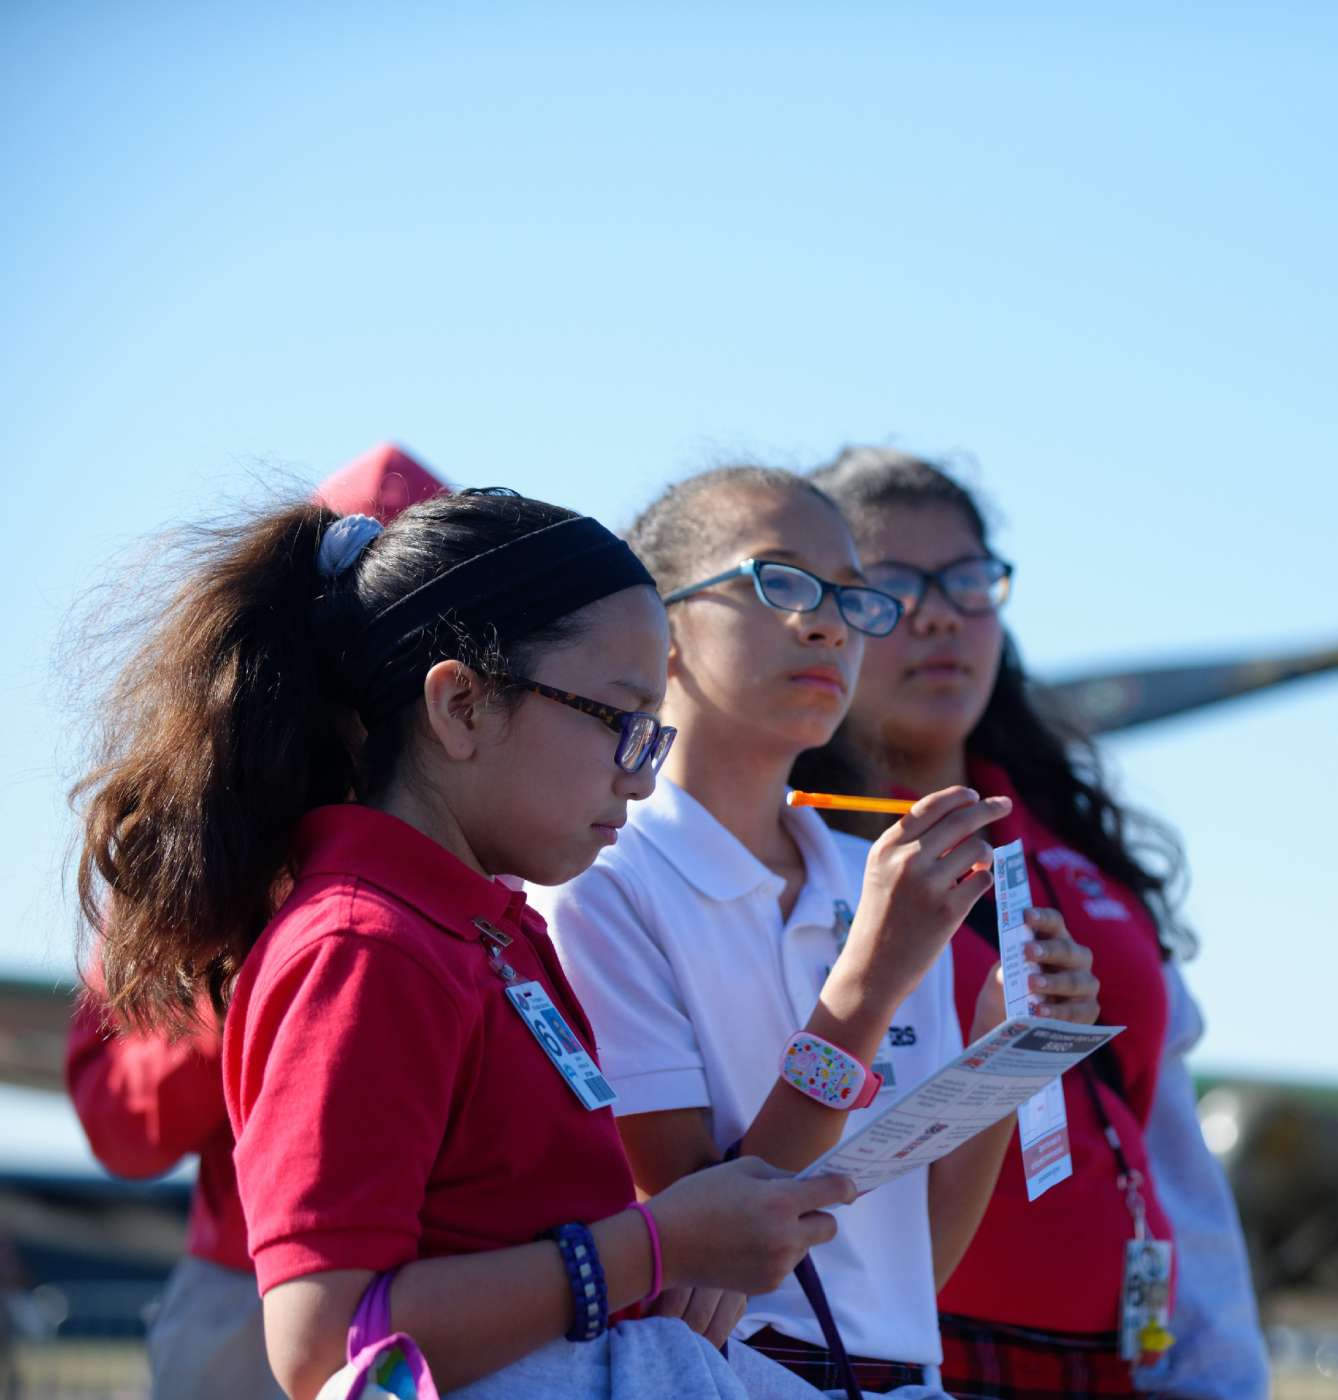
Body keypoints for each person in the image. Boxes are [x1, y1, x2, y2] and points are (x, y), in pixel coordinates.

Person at [71, 483, 860, 1400]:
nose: (640, 782)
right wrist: (655, 1246)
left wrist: (667, 1252)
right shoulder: (364, 947)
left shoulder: (483, 930)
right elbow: (326, 1341)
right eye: (622, 724)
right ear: (462, 708)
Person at [536, 466, 1100, 1395]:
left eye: (851, 595)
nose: (829, 623)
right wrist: (868, 987)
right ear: (661, 628)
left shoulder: (870, 878)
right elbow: (693, 1248)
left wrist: (1010, 1048)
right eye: (778, 581)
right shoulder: (604, 882)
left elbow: (911, 1272)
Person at [801, 448, 1268, 1399]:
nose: (939, 614)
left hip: (1127, 1361)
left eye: (968, 581)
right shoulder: (785, 851)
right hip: (906, 1362)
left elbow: (1170, 1140)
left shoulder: (1071, 843)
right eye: (891, 585)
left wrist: (1219, 1368)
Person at [64, 441, 446, 1400]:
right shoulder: (187, 840)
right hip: (253, 1295)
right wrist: (266, 979)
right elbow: (124, 1130)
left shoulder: (530, 827)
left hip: (479, 1291)